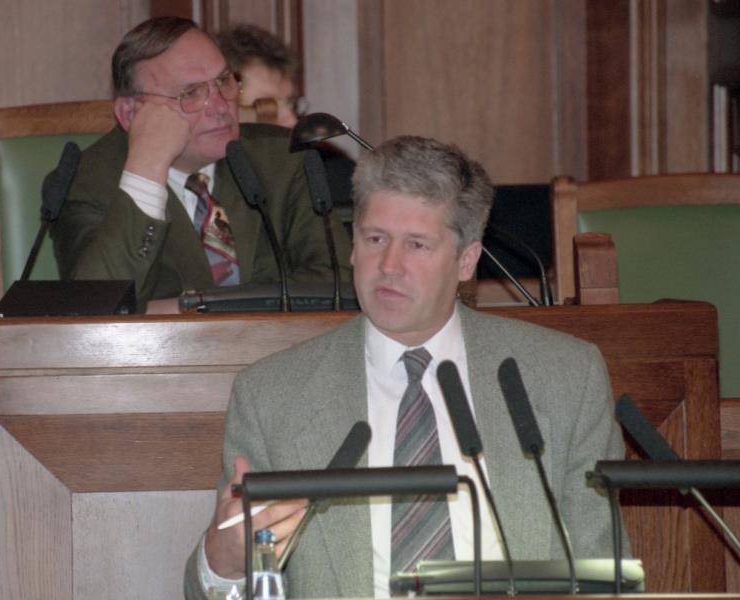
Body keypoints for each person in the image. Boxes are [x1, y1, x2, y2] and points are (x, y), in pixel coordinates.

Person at [184, 136, 627, 598]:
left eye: (417, 245)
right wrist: (225, 565)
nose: (389, 265)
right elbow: (227, 586)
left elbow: (604, 574)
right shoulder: (271, 396)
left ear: (467, 261)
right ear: (353, 246)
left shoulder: (566, 377)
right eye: (375, 239)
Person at [47, 17, 349, 307]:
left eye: (224, 81)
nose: (220, 107)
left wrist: (189, 308)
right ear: (131, 114)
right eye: (191, 93)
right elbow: (98, 307)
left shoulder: (283, 159)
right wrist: (147, 169)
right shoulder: (85, 183)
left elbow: (336, 285)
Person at [216, 24, 355, 224]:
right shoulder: (202, 182)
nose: (292, 121)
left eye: (291, 103)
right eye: (267, 106)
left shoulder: (327, 170)